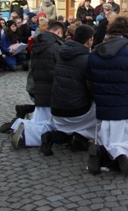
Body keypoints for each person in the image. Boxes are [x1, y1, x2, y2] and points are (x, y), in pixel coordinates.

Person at [86, 16, 128, 176]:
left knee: (106, 136)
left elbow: (89, 82)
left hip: (104, 111)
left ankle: (103, 153)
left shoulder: (94, 54)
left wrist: (100, 99)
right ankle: (122, 154)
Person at [41, 25, 96, 156]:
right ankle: (81, 139)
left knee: (68, 126)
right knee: (101, 111)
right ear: (89, 41)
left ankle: (53, 137)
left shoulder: (61, 54)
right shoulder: (87, 59)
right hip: (76, 110)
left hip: (56, 108)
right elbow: (92, 87)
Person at [11, 21, 65, 149]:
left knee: (40, 118)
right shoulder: (55, 47)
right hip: (50, 88)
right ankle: (25, 133)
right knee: (48, 122)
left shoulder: (39, 44)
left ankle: (18, 124)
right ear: (58, 32)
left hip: (38, 86)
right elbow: (58, 69)